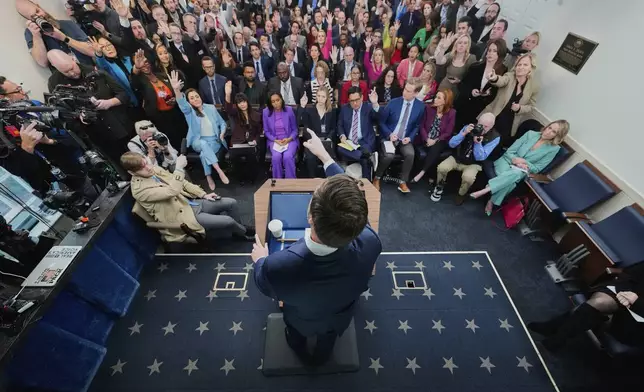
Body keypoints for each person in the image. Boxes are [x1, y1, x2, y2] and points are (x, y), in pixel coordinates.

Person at [251, 129, 382, 367]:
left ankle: (300, 351)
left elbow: (263, 284)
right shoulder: (371, 241)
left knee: (296, 340)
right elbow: (355, 203)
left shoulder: (277, 265)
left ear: (310, 216)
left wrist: (260, 259)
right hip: (339, 316)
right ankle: (322, 357)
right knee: (328, 341)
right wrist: (327, 159)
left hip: (301, 320)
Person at [121, 152, 254, 242]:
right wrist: (179, 168)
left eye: (147, 163)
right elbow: (172, 190)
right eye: (143, 168)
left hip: (190, 202)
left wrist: (204, 195)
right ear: (132, 172)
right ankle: (243, 233)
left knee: (231, 202)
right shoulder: (139, 190)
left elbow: (183, 183)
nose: (149, 168)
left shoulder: (153, 169)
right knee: (228, 221)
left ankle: (239, 232)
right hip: (182, 216)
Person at [528, 265, 644, 352]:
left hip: (637, 322)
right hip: (630, 294)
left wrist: (636, 301)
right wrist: (625, 294)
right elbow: (631, 273)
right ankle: (556, 337)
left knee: (595, 307)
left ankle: (554, 331)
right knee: (599, 302)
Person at [47, 50, 133, 164]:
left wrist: (109, 103)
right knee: (121, 164)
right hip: (98, 133)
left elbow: (123, 94)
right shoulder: (55, 83)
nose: (72, 73)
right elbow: (61, 112)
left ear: (72, 58)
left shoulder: (93, 70)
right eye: (66, 72)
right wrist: (79, 116)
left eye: (72, 68)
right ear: (56, 68)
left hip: (120, 123)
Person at [471, 120, 569, 214]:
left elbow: (538, 168)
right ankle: (491, 201)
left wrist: (524, 162)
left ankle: (486, 190)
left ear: (557, 136)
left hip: (521, 170)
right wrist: (514, 160)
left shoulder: (553, 149)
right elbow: (510, 151)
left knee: (516, 173)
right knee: (511, 183)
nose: (548, 132)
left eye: (553, 132)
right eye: (549, 127)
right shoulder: (530, 134)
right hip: (506, 161)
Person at [2, 121, 98, 202]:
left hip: (79, 175)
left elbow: (71, 141)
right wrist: (27, 147)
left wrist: (50, 142)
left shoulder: (15, 116)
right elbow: (18, 170)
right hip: (58, 193)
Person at [170, 71, 229, 189]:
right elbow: (182, 103)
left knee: (203, 155)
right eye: (192, 98)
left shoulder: (211, 108)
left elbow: (222, 123)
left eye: (197, 96)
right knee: (202, 144)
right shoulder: (189, 112)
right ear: (189, 101)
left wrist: (222, 133)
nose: (195, 99)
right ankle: (218, 170)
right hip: (198, 141)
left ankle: (208, 177)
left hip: (214, 141)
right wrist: (177, 91)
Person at [431, 112, 499, 205]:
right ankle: (439, 186)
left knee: (468, 178)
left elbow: (480, 157)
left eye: (486, 127)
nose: (482, 128)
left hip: (473, 163)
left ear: (492, 126)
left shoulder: (495, 137)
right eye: (480, 125)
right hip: (458, 157)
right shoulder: (469, 127)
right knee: (442, 168)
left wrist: (478, 144)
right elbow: (451, 144)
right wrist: (463, 133)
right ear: (477, 121)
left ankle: (461, 194)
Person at [372, 81, 425, 193]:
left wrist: (410, 137)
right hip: (389, 136)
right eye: (405, 89)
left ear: (415, 93)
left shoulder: (420, 107)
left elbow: (417, 125)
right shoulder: (393, 103)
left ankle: (402, 181)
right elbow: (381, 122)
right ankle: (377, 178)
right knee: (389, 156)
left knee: (410, 154)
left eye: (409, 91)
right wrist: (389, 134)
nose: (404, 92)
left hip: (404, 139)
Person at [130, 49, 188, 149]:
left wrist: (175, 98)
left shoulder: (162, 75)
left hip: (175, 112)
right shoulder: (139, 81)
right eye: (141, 64)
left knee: (185, 135)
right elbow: (133, 80)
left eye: (146, 62)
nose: (144, 65)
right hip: (161, 118)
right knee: (173, 142)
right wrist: (136, 67)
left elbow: (174, 90)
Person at [481, 52, 538, 147]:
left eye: (525, 65)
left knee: (495, 146)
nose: (521, 67)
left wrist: (520, 108)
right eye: (519, 64)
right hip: (494, 116)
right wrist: (494, 78)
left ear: (531, 68)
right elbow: (501, 81)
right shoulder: (509, 76)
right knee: (480, 139)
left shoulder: (534, 86)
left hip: (509, 124)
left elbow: (531, 107)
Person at [16, 0, 94, 68]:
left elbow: (92, 51)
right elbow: (43, 63)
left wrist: (64, 38)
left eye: (37, 11)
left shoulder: (68, 24)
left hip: (90, 70)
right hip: (66, 81)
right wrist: (37, 36)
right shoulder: (31, 33)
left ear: (39, 7)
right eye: (33, 17)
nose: (39, 16)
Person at [454, 38, 507, 131]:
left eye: (494, 51)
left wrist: (487, 95)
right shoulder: (476, 67)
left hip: (480, 113)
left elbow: (499, 95)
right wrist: (471, 91)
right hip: (464, 107)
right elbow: (461, 85)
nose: (490, 53)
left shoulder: (503, 72)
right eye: (489, 50)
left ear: (500, 53)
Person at [411, 89, 456, 184]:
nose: (435, 99)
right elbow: (421, 125)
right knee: (431, 148)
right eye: (436, 97)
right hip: (426, 137)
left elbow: (448, 132)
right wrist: (427, 138)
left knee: (436, 148)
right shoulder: (428, 108)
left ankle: (422, 172)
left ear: (445, 101)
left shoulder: (452, 113)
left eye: (438, 98)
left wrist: (435, 140)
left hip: (440, 140)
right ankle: (430, 174)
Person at [336, 87, 380, 180]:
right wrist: (342, 135)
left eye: (357, 100)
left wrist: (375, 103)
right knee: (340, 149)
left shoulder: (368, 107)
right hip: (350, 142)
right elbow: (339, 125)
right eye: (352, 101)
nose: (355, 103)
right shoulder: (345, 109)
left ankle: (366, 183)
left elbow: (378, 118)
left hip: (365, 141)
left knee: (364, 160)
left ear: (362, 98)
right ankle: (368, 157)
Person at [224, 82, 262, 184]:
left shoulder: (256, 115)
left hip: (251, 143)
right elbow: (228, 108)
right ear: (237, 105)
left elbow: (259, 131)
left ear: (247, 102)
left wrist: (255, 140)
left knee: (252, 157)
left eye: (244, 101)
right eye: (239, 102)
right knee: (234, 157)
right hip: (237, 142)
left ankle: (251, 178)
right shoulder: (235, 113)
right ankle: (240, 178)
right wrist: (228, 94)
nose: (242, 104)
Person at [89, 36, 139, 107]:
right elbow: (101, 63)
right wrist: (99, 53)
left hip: (145, 96)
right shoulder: (107, 66)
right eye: (103, 47)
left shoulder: (127, 59)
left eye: (109, 44)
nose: (108, 48)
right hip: (131, 103)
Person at [299, 87, 337, 178]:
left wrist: (329, 138)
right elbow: (304, 126)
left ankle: (329, 181)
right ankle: (313, 179)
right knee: (310, 157)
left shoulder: (332, 111)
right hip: (313, 139)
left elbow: (333, 128)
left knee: (329, 157)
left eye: (323, 96)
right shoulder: (310, 110)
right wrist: (302, 107)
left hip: (326, 140)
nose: (320, 99)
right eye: (318, 96)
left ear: (327, 98)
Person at [263, 92, 299, 179]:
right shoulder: (266, 112)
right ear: (270, 103)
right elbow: (266, 131)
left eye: (278, 100)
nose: (276, 103)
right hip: (274, 141)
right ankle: (278, 182)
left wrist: (289, 139)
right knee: (276, 157)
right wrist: (275, 140)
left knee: (287, 156)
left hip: (289, 139)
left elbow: (295, 130)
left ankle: (290, 182)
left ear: (282, 100)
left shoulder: (289, 110)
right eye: (273, 101)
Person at [435, 32, 476, 97]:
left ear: (468, 45)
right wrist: (443, 49)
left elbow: (472, 78)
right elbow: (439, 61)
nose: (462, 45)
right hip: (444, 86)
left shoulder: (471, 58)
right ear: (456, 44)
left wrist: (459, 81)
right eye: (460, 42)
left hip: (457, 90)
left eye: (465, 43)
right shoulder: (450, 55)